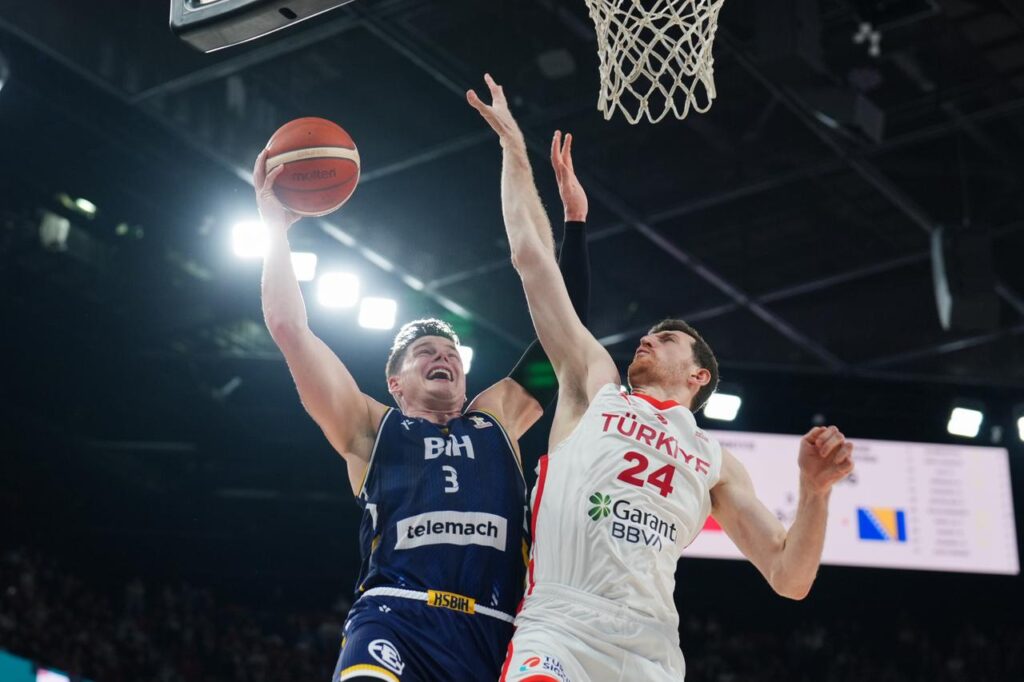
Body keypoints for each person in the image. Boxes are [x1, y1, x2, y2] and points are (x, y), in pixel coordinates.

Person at [467, 74, 856, 682]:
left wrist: (814, 494)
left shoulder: (715, 460)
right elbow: (531, 260)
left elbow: (790, 577)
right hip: (562, 627)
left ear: (699, 374)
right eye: (649, 334)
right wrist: (514, 150)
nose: (646, 337)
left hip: (650, 653)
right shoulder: (592, 382)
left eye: (666, 337)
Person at [252, 147, 590, 682]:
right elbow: (290, 329)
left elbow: (566, 338)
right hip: (395, 616)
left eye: (452, 354)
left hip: (494, 628)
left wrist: (575, 223)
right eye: (426, 353)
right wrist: (275, 229)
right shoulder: (371, 427)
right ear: (395, 383)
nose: (444, 357)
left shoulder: (497, 417)